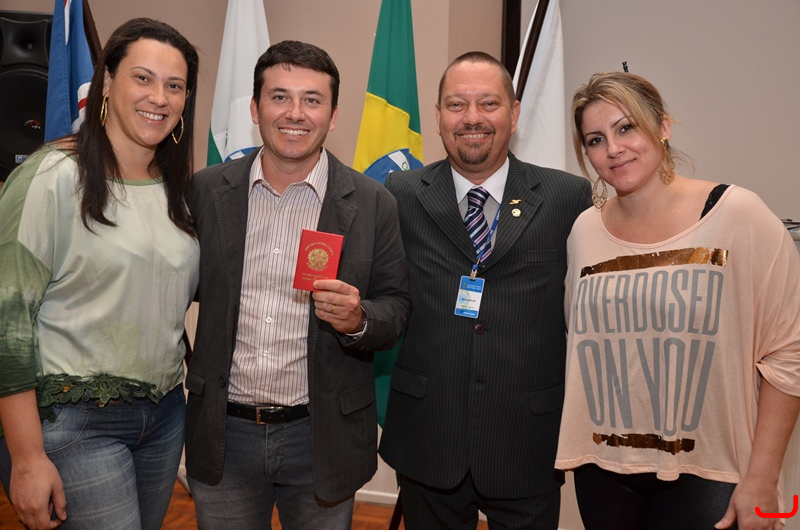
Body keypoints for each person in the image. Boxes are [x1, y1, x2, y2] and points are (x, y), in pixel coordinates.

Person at [555, 70, 800, 530]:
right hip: (603, 468)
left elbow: (789, 355)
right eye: (595, 140)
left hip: (711, 469)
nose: (613, 149)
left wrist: (764, 477)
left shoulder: (737, 214)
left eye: (626, 127)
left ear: (663, 126)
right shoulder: (584, 230)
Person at [184, 40, 410, 529]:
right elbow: (174, 288)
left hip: (321, 436)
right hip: (224, 434)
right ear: (255, 108)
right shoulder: (206, 190)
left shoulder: (373, 202)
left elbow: (396, 308)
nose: (295, 113)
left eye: (312, 100)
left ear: (332, 116)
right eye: (279, 97)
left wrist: (359, 319)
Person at [0, 18, 199, 530]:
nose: (159, 97)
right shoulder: (51, 176)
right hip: (73, 420)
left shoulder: (176, 190)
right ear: (107, 82)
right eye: (143, 78)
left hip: (163, 417)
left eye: (174, 85)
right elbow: (7, 325)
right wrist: (26, 459)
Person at [378, 51, 592, 529]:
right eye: (457, 104)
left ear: (514, 114)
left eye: (488, 104)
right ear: (438, 116)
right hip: (429, 436)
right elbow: (386, 296)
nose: (472, 118)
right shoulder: (399, 194)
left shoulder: (568, 197)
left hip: (528, 439)